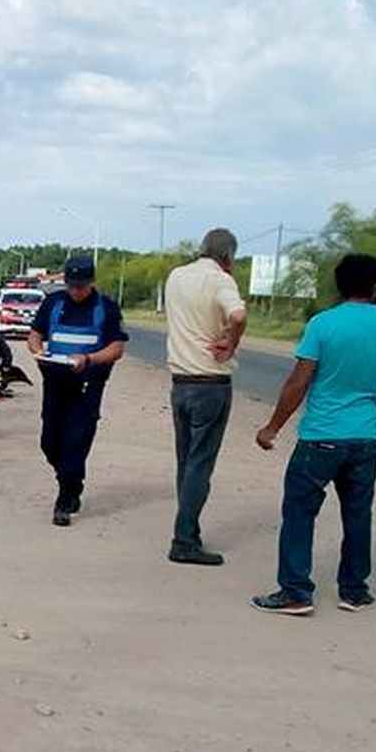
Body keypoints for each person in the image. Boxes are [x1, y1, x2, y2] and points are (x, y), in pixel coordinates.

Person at [251, 253, 376, 615]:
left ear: (339, 284)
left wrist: (272, 426)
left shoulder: (323, 325)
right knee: (357, 513)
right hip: (365, 437)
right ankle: (354, 590)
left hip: (321, 435)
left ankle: (295, 591)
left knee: (299, 511)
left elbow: (299, 382)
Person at [163, 228, 247, 566]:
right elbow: (238, 315)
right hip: (211, 383)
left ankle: (189, 531)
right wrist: (232, 341)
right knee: (200, 464)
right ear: (228, 257)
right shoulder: (220, 280)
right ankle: (184, 539)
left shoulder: (176, 276)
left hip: (180, 381)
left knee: (186, 462)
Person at [27, 253, 127, 526]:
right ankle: (70, 482)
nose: (75, 291)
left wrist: (89, 360)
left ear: (91, 282)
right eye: (71, 285)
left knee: (76, 441)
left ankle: (65, 498)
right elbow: (35, 335)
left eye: (81, 286)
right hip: (56, 382)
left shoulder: (106, 308)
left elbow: (117, 348)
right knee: (49, 442)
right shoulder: (53, 303)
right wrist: (38, 352)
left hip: (88, 385)